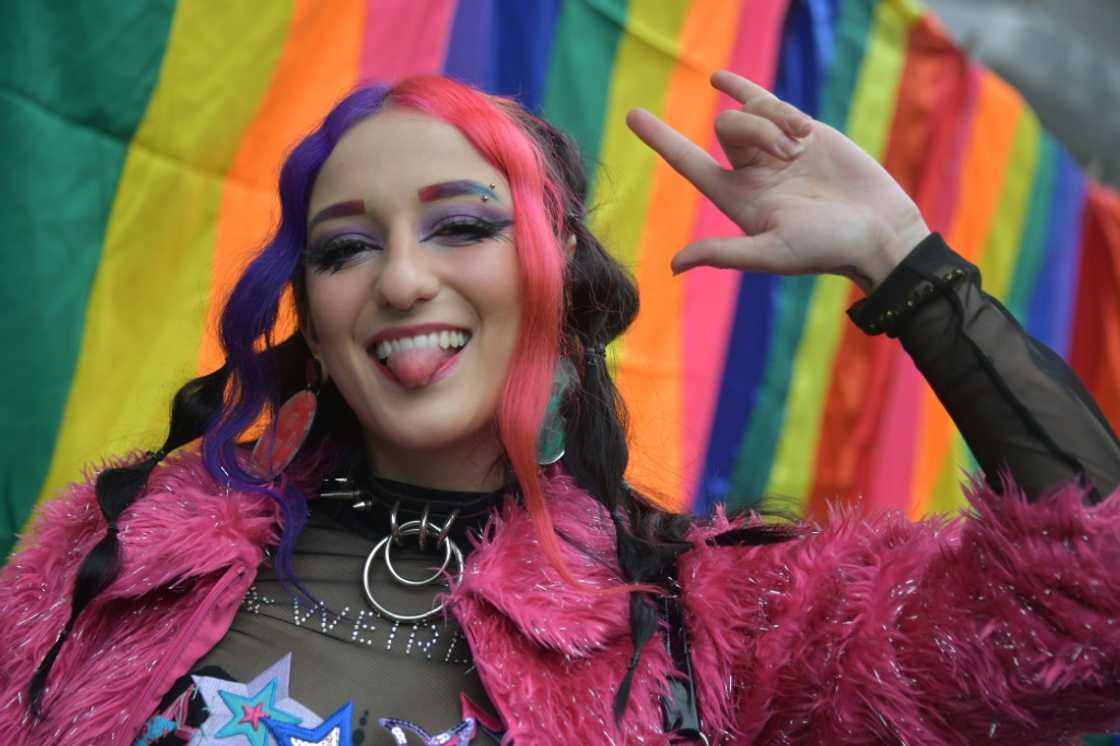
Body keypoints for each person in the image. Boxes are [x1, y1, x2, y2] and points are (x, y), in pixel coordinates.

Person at [1, 71, 1119, 746]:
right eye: (346, 248)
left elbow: (1092, 611)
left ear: (561, 287)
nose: (402, 281)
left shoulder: (711, 630)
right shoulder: (120, 556)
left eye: (462, 226)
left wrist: (904, 263)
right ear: (317, 322)